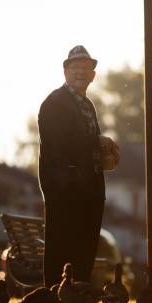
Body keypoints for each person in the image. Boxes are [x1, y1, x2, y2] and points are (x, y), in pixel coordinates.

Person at [38, 45, 118, 287]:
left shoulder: (88, 104)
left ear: (93, 75)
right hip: (64, 187)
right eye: (75, 68)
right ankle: (54, 294)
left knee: (85, 243)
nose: (81, 72)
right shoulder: (54, 103)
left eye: (86, 68)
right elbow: (60, 142)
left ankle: (78, 294)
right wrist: (97, 141)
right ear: (65, 72)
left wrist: (105, 154)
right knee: (61, 244)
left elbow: (83, 145)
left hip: (90, 188)